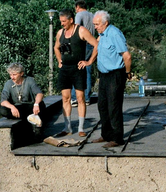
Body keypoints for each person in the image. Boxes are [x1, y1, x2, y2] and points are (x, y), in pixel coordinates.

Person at [90, 10, 132, 148]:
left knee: (113, 106)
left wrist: (127, 72)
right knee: (102, 105)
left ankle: (117, 138)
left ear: (105, 23)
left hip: (115, 74)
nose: (95, 27)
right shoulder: (102, 34)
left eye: (97, 24)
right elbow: (97, 48)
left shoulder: (114, 33)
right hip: (104, 75)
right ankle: (106, 134)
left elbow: (127, 56)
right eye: (94, 24)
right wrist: (90, 61)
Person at [54, 8, 98, 137]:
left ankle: (80, 128)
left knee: (80, 98)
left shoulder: (81, 31)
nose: (62, 24)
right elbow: (56, 47)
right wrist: (59, 60)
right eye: (60, 21)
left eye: (64, 21)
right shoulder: (60, 33)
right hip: (65, 69)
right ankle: (67, 127)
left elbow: (96, 44)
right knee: (66, 98)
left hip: (78, 68)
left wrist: (89, 61)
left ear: (71, 20)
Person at [0, 63, 46, 145]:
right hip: (17, 108)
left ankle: (36, 130)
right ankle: (27, 120)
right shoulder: (8, 83)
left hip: (29, 106)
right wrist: (12, 107)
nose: (12, 77)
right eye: (10, 75)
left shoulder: (29, 80)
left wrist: (36, 104)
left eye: (14, 75)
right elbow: (3, 101)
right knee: (2, 109)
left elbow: (39, 94)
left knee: (41, 105)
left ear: (21, 73)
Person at [71, 1, 95, 106]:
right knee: (88, 70)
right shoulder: (92, 15)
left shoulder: (79, 15)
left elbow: (76, 28)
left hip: (82, 44)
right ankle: (87, 98)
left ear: (77, 7)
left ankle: (75, 97)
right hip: (91, 44)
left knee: (76, 69)